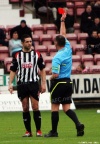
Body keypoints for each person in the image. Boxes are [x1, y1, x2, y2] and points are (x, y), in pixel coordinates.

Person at [44, 12, 84, 137]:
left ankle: (54, 132)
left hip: (59, 83)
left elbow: (55, 75)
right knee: (66, 108)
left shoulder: (57, 57)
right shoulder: (68, 49)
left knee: (54, 107)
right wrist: (62, 21)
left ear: (56, 44)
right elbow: (63, 34)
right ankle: (78, 124)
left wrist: (49, 76)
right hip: (68, 82)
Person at [8, 34, 46, 137]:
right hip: (22, 84)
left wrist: (43, 83)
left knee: (35, 106)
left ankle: (38, 130)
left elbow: (42, 69)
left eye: (30, 41)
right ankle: (28, 131)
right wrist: (10, 83)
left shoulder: (37, 54)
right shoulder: (17, 55)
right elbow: (13, 70)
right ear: (22, 43)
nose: (29, 43)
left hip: (33, 83)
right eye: (27, 41)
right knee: (25, 107)